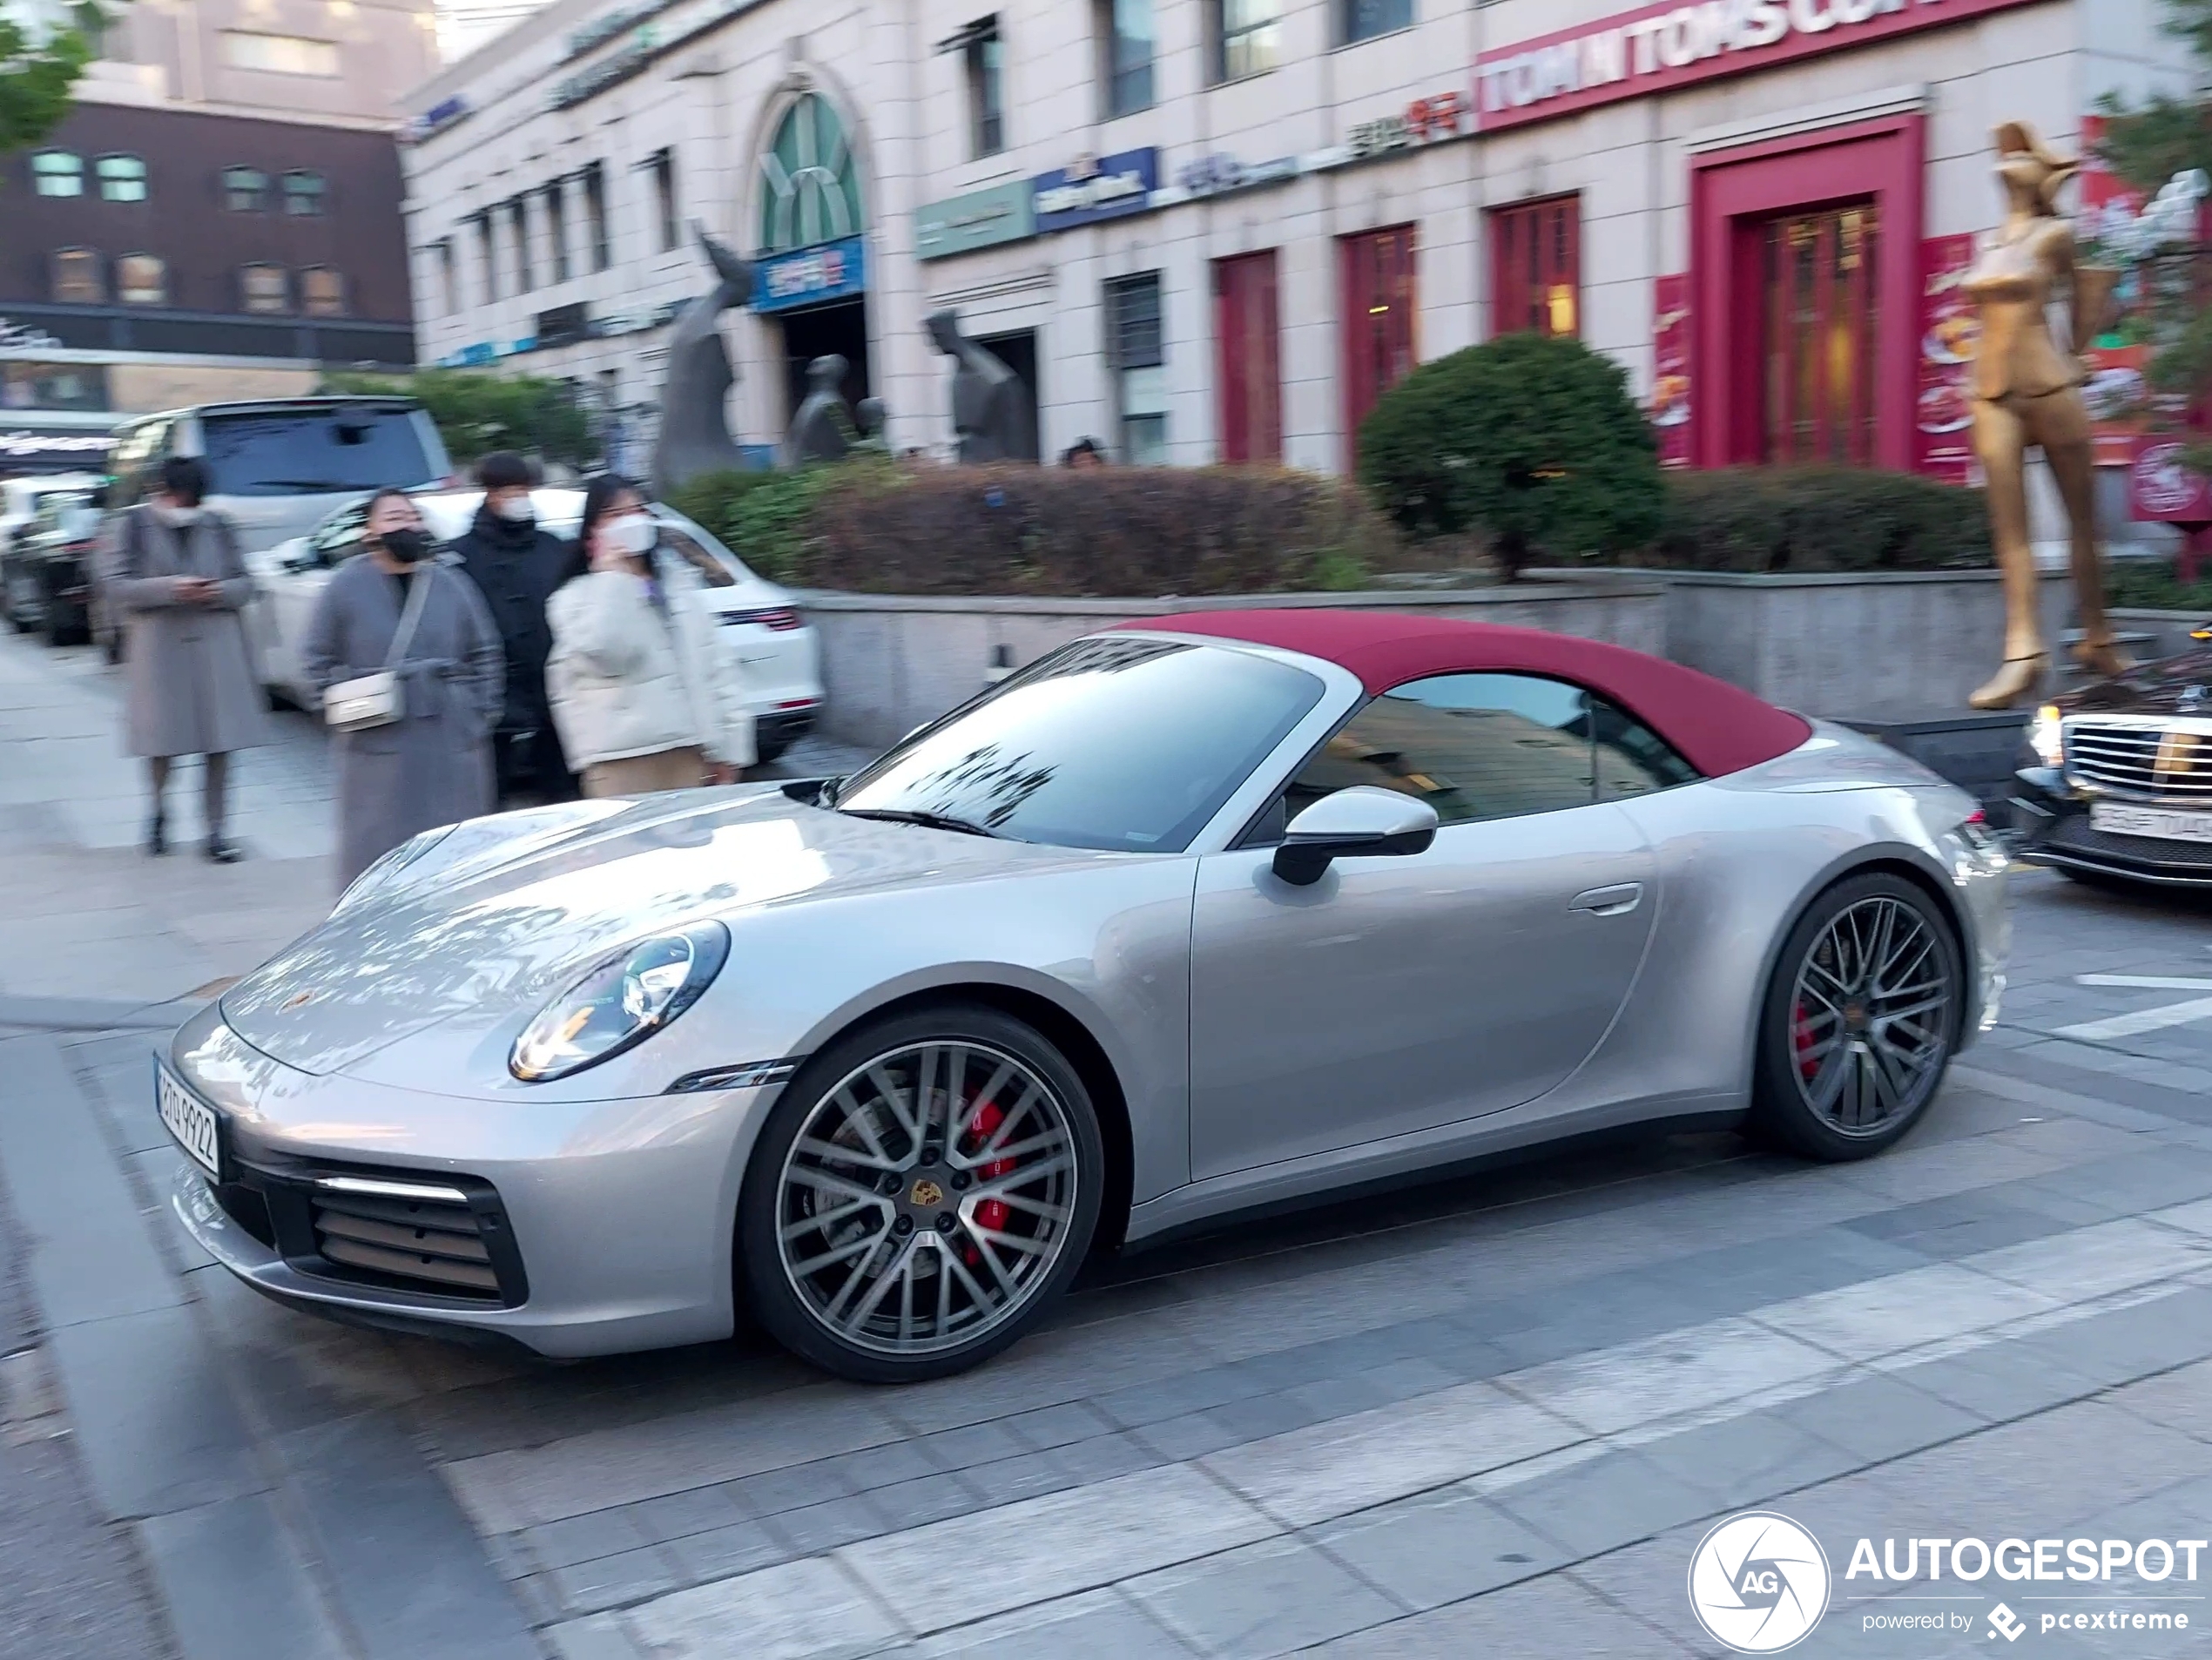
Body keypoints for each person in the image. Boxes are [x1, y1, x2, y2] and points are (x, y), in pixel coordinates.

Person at [301, 489, 504, 889]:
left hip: (450, 733)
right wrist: (347, 707)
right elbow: (315, 661)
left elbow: (486, 650)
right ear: (369, 532)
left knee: (455, 846)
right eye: (394, 518)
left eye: (413, 517)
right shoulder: (345, 586)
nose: (407, 525)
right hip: (377, 740)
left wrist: (479, 713)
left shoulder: (452, 582)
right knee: (379, 847)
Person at [103, 455, 269, 861]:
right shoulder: (133, 525)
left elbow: (247, 583)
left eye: (191, 499)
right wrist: (171, 588)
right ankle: (159, 813)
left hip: (216, 646)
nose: (184, 506)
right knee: (163, 742)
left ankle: (217, 832)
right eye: (177, 497)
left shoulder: (220, 526)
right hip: (160, 650)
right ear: (162, 491)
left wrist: (218, 592)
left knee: (221, 742)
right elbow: (115, 585)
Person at [545, 475, 754, 798]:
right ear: (592, 530)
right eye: (615, 514)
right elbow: (605, 655)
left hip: (692, 752)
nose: (631, 520)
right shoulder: (574, 597)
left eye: (638, 510)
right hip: (621, 761)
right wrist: (613, 577)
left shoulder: (678, 588)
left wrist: (730, 747)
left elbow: (718, 669)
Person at [446, 451, 574, 803]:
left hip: (555, 692)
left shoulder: (552, 548)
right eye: (508, 492)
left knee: (564, 798)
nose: (518, 500)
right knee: (489, 798)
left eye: (523, 491)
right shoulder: (459, 556)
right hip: (492, 697)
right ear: (489, 495)